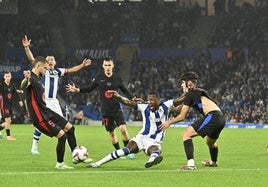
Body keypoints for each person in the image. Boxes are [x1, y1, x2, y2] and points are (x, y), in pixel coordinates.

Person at [22, 35, 92, 155]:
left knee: (65, 126)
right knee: (44, 125)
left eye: (52, 59)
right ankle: (34, 147)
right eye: (48, 60)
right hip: (43, 102)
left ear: (55, 62)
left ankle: (74, 151)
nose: (49, 61)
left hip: (53, 102)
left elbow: (72, 69)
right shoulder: (42, 72)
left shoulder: (58, 72)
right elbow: (32, 60)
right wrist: (27, 48)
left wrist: (82, 65)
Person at [66, 56, 136, 159]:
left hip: (116, 108)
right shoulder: (99, 77)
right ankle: (119, 152)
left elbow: (124, 90)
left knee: (123, 129)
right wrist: (78, 90)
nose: (107, 67)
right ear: (103, 66)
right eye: (106, 65)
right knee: (112, 133)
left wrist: (132, 98)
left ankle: (128, 151)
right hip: (106, 110)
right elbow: (90, 88)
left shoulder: (117, 78)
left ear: (113, 66)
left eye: (109, 65)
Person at [88, 90, 178, 168]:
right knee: (125, 150)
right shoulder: (144, 106)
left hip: (153, 140)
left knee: (155, 150)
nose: (149, 102)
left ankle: (151, 160)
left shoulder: (166, 105)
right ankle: (98, 163)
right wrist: (118, 96)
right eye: (149, 99)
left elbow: (180, 100)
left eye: (152, 100)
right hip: (141, 137)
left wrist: (189, 94)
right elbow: (128, 102)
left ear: (158, 100)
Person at [21, 56, 80, 169]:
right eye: (44, 68)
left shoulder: (38, 78)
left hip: (47, 112)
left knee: (70, 128)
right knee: (62, 136)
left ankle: (76, 155)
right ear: (38, 66)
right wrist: (26, 78)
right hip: (40, 117)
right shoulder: (32, 78)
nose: (46, 70)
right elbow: (24, 84)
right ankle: (60, 164)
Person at [160, 71, 226, 170]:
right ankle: (213, 162)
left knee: (186, 134)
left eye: (182, 83)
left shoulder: (190, 94)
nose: (181, 85)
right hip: (220, 118)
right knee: (210, 142)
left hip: (213, 116)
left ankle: (190, 164)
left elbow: (182, 116)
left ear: (189, 83)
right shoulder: (198, 92)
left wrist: (168, 122)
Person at [0, 72, 24, 140]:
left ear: (11, 77)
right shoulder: (1, 85)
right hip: (4, 105)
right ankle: (8, 136)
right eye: (6, 76)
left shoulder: (12, 85)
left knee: (8, 122)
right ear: (4, 77)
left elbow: (15, 93)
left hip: (10, 105)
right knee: (7, 120)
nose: (8, 77)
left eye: (9, 76)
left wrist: (20, 101)